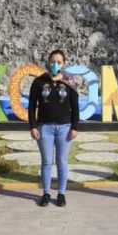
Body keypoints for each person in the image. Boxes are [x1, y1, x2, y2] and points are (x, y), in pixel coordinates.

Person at [29, 50, 80, 207]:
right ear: (48, 62)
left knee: (62, 161)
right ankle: (46, 193)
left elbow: (75, 107)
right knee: (46, 161)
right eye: (52, 61)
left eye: (58, 62)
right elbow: (31, 106)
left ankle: (61, 193)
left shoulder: (69, 82)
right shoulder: (38, 82)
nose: (55, 65)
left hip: (65, 128)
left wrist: (75, 127)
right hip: (45, 127)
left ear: (63, 63)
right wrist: (32, 126)